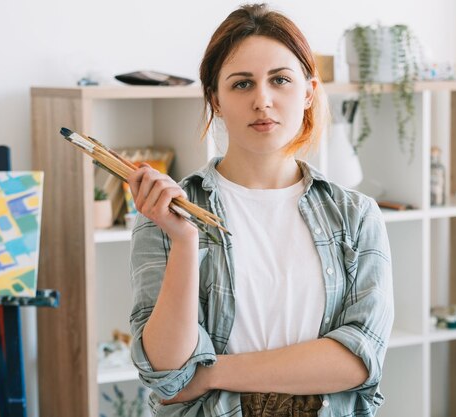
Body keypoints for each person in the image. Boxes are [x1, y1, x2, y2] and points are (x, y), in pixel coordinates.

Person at [127, 4, 394, 417]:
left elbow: (358, 360)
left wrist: (211, 373)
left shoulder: (356, 215)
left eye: (280, 80)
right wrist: (184, 241)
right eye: (241, 84)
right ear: (215, 98)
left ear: (308, 92)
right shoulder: (168, 212)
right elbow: (167, 371)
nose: (262, 100)